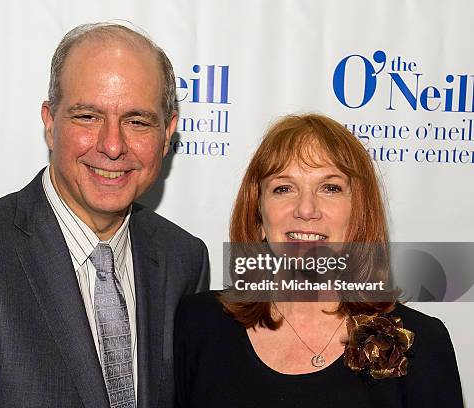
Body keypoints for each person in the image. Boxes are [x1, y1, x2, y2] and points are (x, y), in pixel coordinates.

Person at [0, 23, 209, 408]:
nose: (113, 145)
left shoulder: (184, 258)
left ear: (168, 131)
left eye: (137, 121)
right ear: (50, 122)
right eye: (88, 117)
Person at [174, 114, 463, 407]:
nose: (306, 209)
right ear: (258, 216)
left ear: (358, 214)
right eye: (283, 188)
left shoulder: (421, 342)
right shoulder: (198, 325)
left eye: (331, 188)